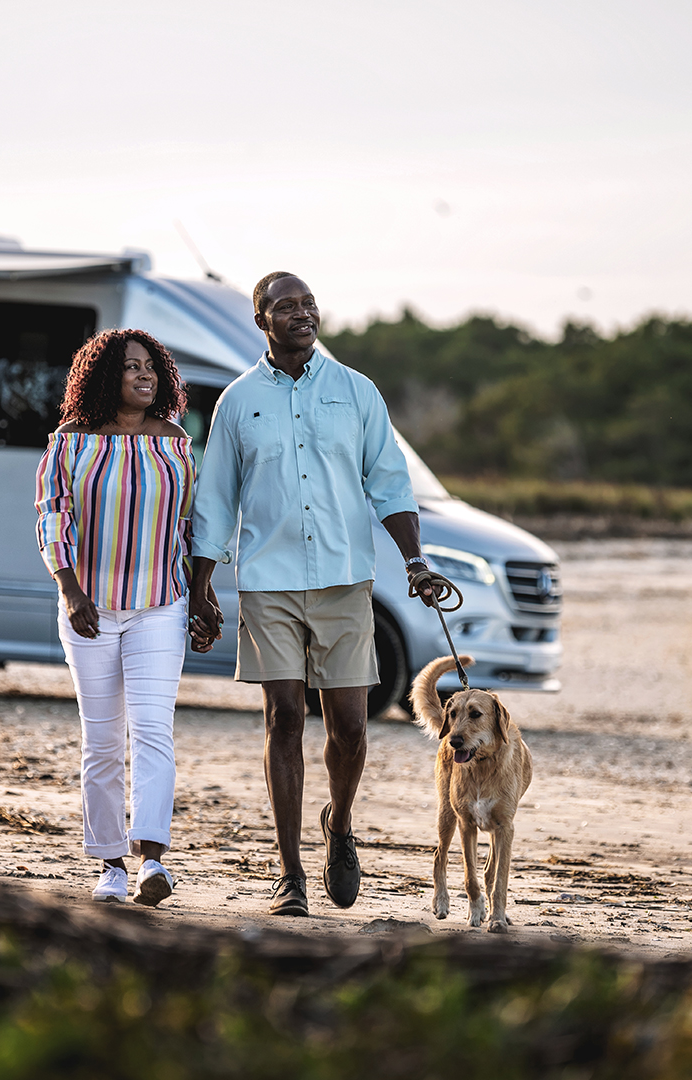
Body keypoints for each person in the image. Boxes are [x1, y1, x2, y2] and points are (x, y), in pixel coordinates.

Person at [188, 271, 452, 916]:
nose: (302, 314)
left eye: (308, 304)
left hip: (343, 580)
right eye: (286, 307)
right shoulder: (238, 401)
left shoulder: (357, 391)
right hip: (269, 583)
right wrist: (201, 588)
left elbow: (389, 483)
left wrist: (414, 560)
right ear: (262, 321)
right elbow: (217, 499)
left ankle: (339, 825)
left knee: (352, 730)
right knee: (282, 718)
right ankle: (290, 874)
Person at [35, 328, 211, 906]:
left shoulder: (176, 444)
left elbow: (191, 525)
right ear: (105, 376)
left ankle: (151, 861)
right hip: (90, 610)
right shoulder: (70, 443)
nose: (144, 376)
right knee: (103, 741)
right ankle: (108, 864)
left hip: (160, 606)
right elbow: (52, 517)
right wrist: (70, 589)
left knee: (154, 731)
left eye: (151, 368)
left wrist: (204, 592)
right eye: (131, 367)